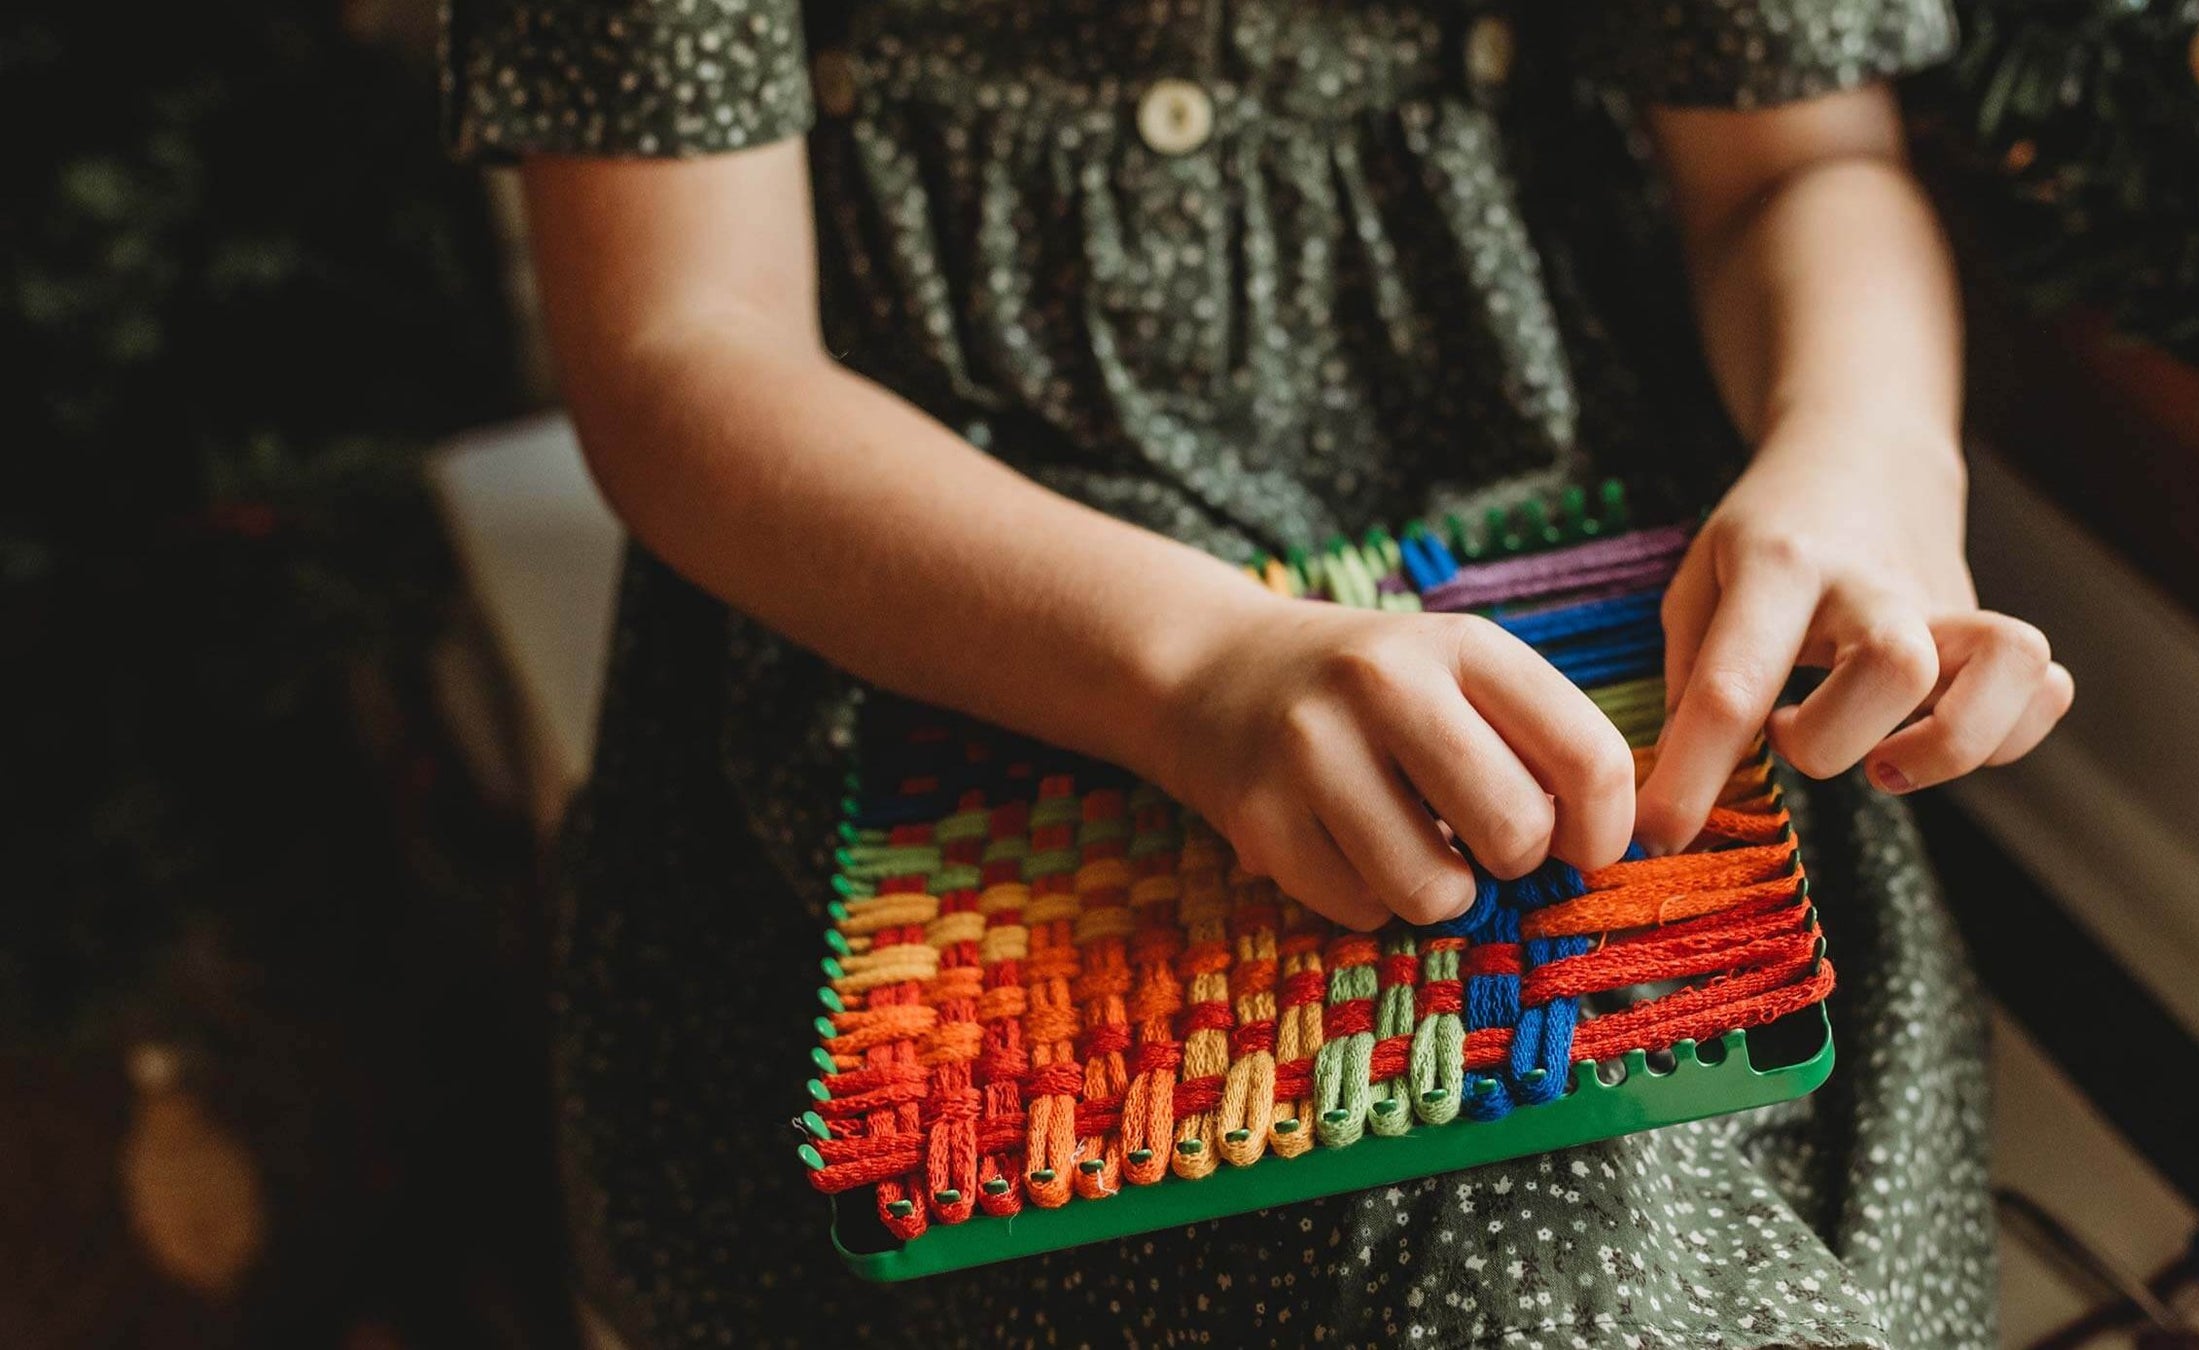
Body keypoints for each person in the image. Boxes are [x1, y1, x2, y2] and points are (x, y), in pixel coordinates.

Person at [445, 0, 2072, 1343]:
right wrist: (1202, 667)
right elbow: (681, 352)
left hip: (1572, 553)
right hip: (964, 610)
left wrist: (1867, 456)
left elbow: (1798, 166)